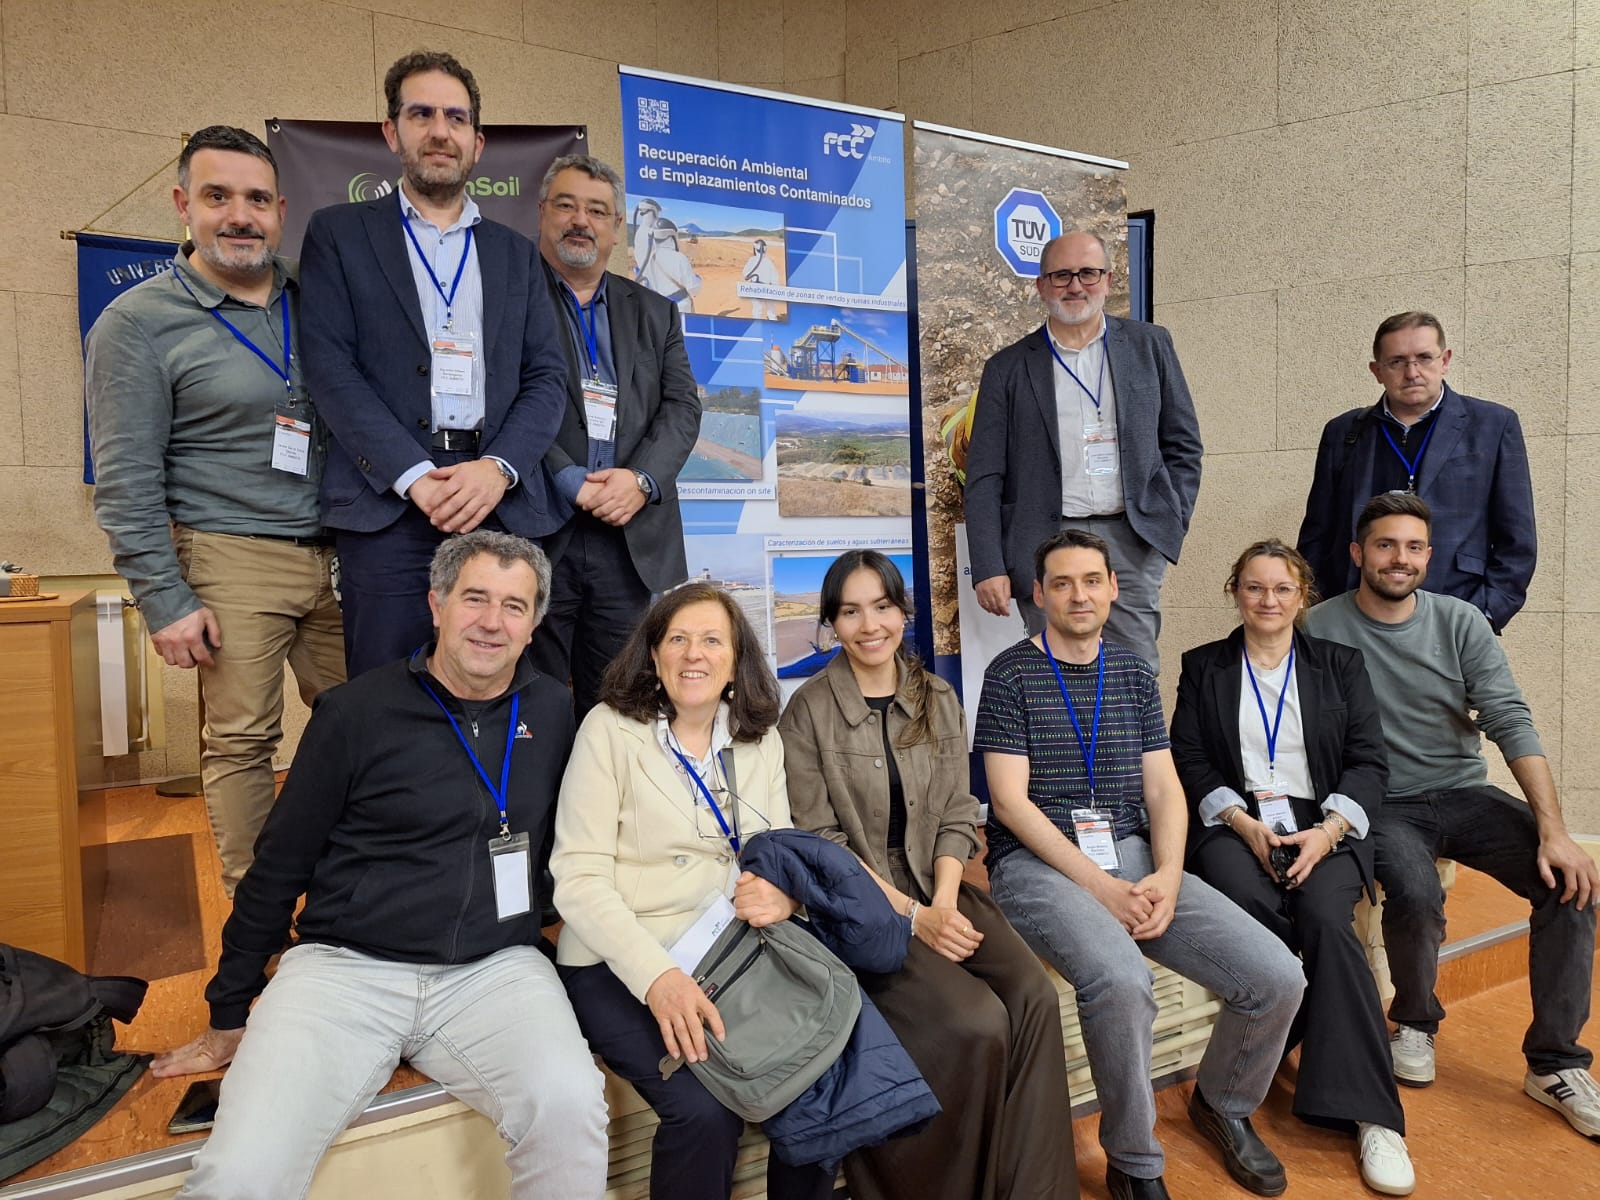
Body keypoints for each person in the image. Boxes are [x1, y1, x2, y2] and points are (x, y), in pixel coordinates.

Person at [149, 531, 608, 1198]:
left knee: (571, 1114)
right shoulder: (354, 713)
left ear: (534, 623)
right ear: (436, 605)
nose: (491, 621)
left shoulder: (554, 710)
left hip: (496, 971)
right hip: (346, 973)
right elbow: (278, 867)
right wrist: (229, 1008)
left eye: (514, 606)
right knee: (240, 1174)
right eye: (474, 598)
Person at [976, 529, 1305, 1200]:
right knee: (1123, 983)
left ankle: (1224, 1103)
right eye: (1062, 583)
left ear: (1113, 589)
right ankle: (1133, 1161)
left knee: (1277, 977)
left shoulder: (1130, 671)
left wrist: (1166, 874)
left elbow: (1163, 790)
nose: (1079, 595)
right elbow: (1008, 804)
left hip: (1134, 854)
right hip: (1036, 866)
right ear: (1039, 595)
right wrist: (1104, 888)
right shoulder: (1009, 674)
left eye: (1091, 581)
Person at [85, 124, 344, 896]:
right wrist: (164, 600)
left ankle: (348, 897)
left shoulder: (319, 295)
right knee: (243, 743)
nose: (240, 215)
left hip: (343, 555)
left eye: (257, 199)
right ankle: (257, 922)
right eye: (217, 196)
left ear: (281, 210)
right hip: (229, 554)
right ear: (182, 205)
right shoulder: (137, 322)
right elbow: (126, 482)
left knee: (367, 724)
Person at [779, 551, 1078, 1200]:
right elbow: (822, 843)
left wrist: (942, 902)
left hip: (939, 887)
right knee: (977, 1021)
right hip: (860, 910)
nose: (870, 625)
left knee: (1034, 998)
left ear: (902, 611)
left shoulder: (935, 697)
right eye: (850, 611)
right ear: (831, 622)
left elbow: (956, 812)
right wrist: (915, 918)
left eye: (882, 607)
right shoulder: (806, 711)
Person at [1306, 491, 1600, 1139]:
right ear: (1357, 553)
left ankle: (1555, 1063)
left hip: (1464, 792)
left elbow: (1509, 719)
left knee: (1571, 884)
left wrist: (1555, 832)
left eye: (1414, 547)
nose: (1400, 558)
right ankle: (1414, 1022)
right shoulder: (1318, 627)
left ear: (1429, 556)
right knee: (1414, 889)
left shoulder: (1462, 621)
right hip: (1382, 802)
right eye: (1385, 545)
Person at [551, 583, 834, 1200]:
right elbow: (577, 877)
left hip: (731, 951)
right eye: (677, 639)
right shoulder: (609, 730)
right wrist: (657, 977)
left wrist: (785, 898)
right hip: (620, 957)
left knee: (817, 1080)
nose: (693, 654)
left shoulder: (760, 736)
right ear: (653, 655)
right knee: (704, 1113)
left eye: (711, 640)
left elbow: (775, 852)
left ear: (735, 662)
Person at [300, 50, 568, 676]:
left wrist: (498, 469)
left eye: (456, 118)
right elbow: (331, 368)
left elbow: (547, 378)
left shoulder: (516, 254)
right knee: (386, 690)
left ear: (478, 142)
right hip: (389, 506)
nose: (440, 131)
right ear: (392, 132)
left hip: (496, 500)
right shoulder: (339, 234)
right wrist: (414, 475)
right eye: (421, 114)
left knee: (497, 683)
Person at [1169, 540, 1413, 1195]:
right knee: (1248, 904)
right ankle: (1290, 1025)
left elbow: (1369, 762)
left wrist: (1327, 832)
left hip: (1323, 817)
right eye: (1254, 587)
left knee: (1326, 919)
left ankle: (1373, 1117)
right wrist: (1241, 821)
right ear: (1235, 592)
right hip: (1234, 817)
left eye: (1282, 588)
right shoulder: (1204, 666)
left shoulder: (1340, 664)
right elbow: (1189, 758)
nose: (1268, 600)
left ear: (1302, 595)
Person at [965, 230, 1202, 673]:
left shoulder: (1150, 345)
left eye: (1088, 273)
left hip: (1132, 539)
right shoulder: (1007, 368)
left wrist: (1170, 519)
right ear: (1041, 286)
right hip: (1044, 540)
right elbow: (984, 476)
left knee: (1135, 668)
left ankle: (1132, 727)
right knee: (1053, 672)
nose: (1075, 286)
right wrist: (988, 566)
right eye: (1061, 275)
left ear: (1108, 280)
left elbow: (1183, 444)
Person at [531, 153, 701, 719]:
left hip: (629, 537)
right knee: (533, 701)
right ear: (542, 212)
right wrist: (568, 477)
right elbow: (501, 402)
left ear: (617, 226)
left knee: (618, 705)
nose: (581, 220)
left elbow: (682, 408)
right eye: (567, 205)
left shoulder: (655, 312)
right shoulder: (513, 299)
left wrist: (641, 480)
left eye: (598, 211)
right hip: (540, 526)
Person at [1297, 311, 1535, 633]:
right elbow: (1317, 535)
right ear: (1377, 371)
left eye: (1424, 358)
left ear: (1445, 360)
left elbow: (1517, 540)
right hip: (1351, 619)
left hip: (1454, 615)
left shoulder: (1492, 425)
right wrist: (1317, 611)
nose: (1412, 373)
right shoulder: (1343, 432)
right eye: (1396, 362)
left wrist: (1485, 615)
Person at [741, 237, 778, 319]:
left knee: (757, 310)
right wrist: (775, 288)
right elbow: (775, 277)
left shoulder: (752, 260)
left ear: (755, 249)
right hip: (768, 289)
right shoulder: (768, 261)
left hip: (756, 288)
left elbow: (745, 273)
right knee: (771, 311)